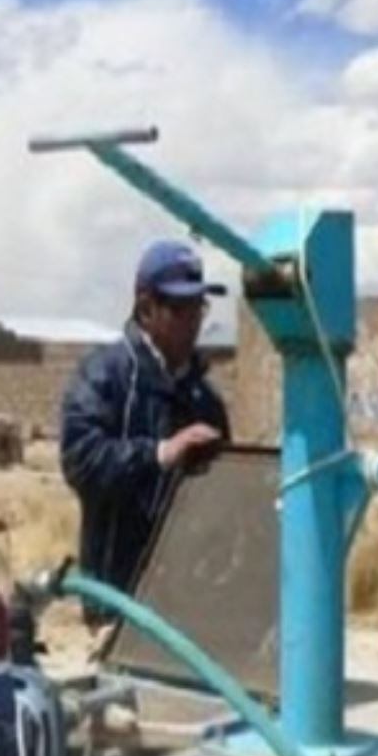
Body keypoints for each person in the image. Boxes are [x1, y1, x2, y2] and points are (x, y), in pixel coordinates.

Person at [59, 240, 231, 615]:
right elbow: (82, 462)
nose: (193, 322)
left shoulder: (205, 399)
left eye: (197, 308)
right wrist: (160, 454)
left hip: (187, 606)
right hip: (118, 602)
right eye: (179, 309)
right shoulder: (104, 377)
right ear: (145, 308)